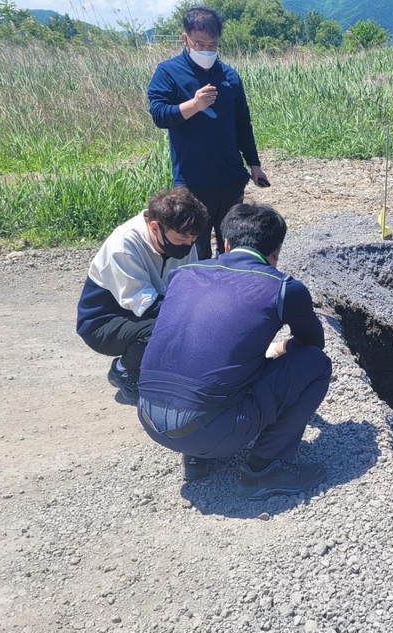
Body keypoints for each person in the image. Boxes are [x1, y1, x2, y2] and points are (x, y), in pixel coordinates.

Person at [137, 202, 331, 494]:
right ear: (276, 250)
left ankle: (197, 460)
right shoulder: (282, 287)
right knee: (317, 364)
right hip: (209, 431)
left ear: (225, 243)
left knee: (206, 360)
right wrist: (280, 350)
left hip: (150, 418)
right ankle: (263, 470)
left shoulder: (184, 274)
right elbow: (313, 345)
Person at [147, 6, 270, 260]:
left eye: (212, 45)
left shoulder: (229, 75)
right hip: (193, 182)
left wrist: (254, 164)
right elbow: (159, 115)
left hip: (230, 178)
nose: (206, 50)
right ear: (185, 39)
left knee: (232, 245)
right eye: (199, 43)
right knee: (196, 248)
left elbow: (242, 123)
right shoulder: (168, 72)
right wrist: (194, 105)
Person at [76, 187, 208, 405]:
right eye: (183, 238)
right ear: (155, 227)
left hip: (142, 312)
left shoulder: (183, 239)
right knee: (166, 326)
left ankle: (158, 372)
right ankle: (123, 371)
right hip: (102, 323)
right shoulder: (124, 245)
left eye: (193, 239)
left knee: (191, 319)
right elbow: (147, 305)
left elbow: (190, 286)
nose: (189, 245)